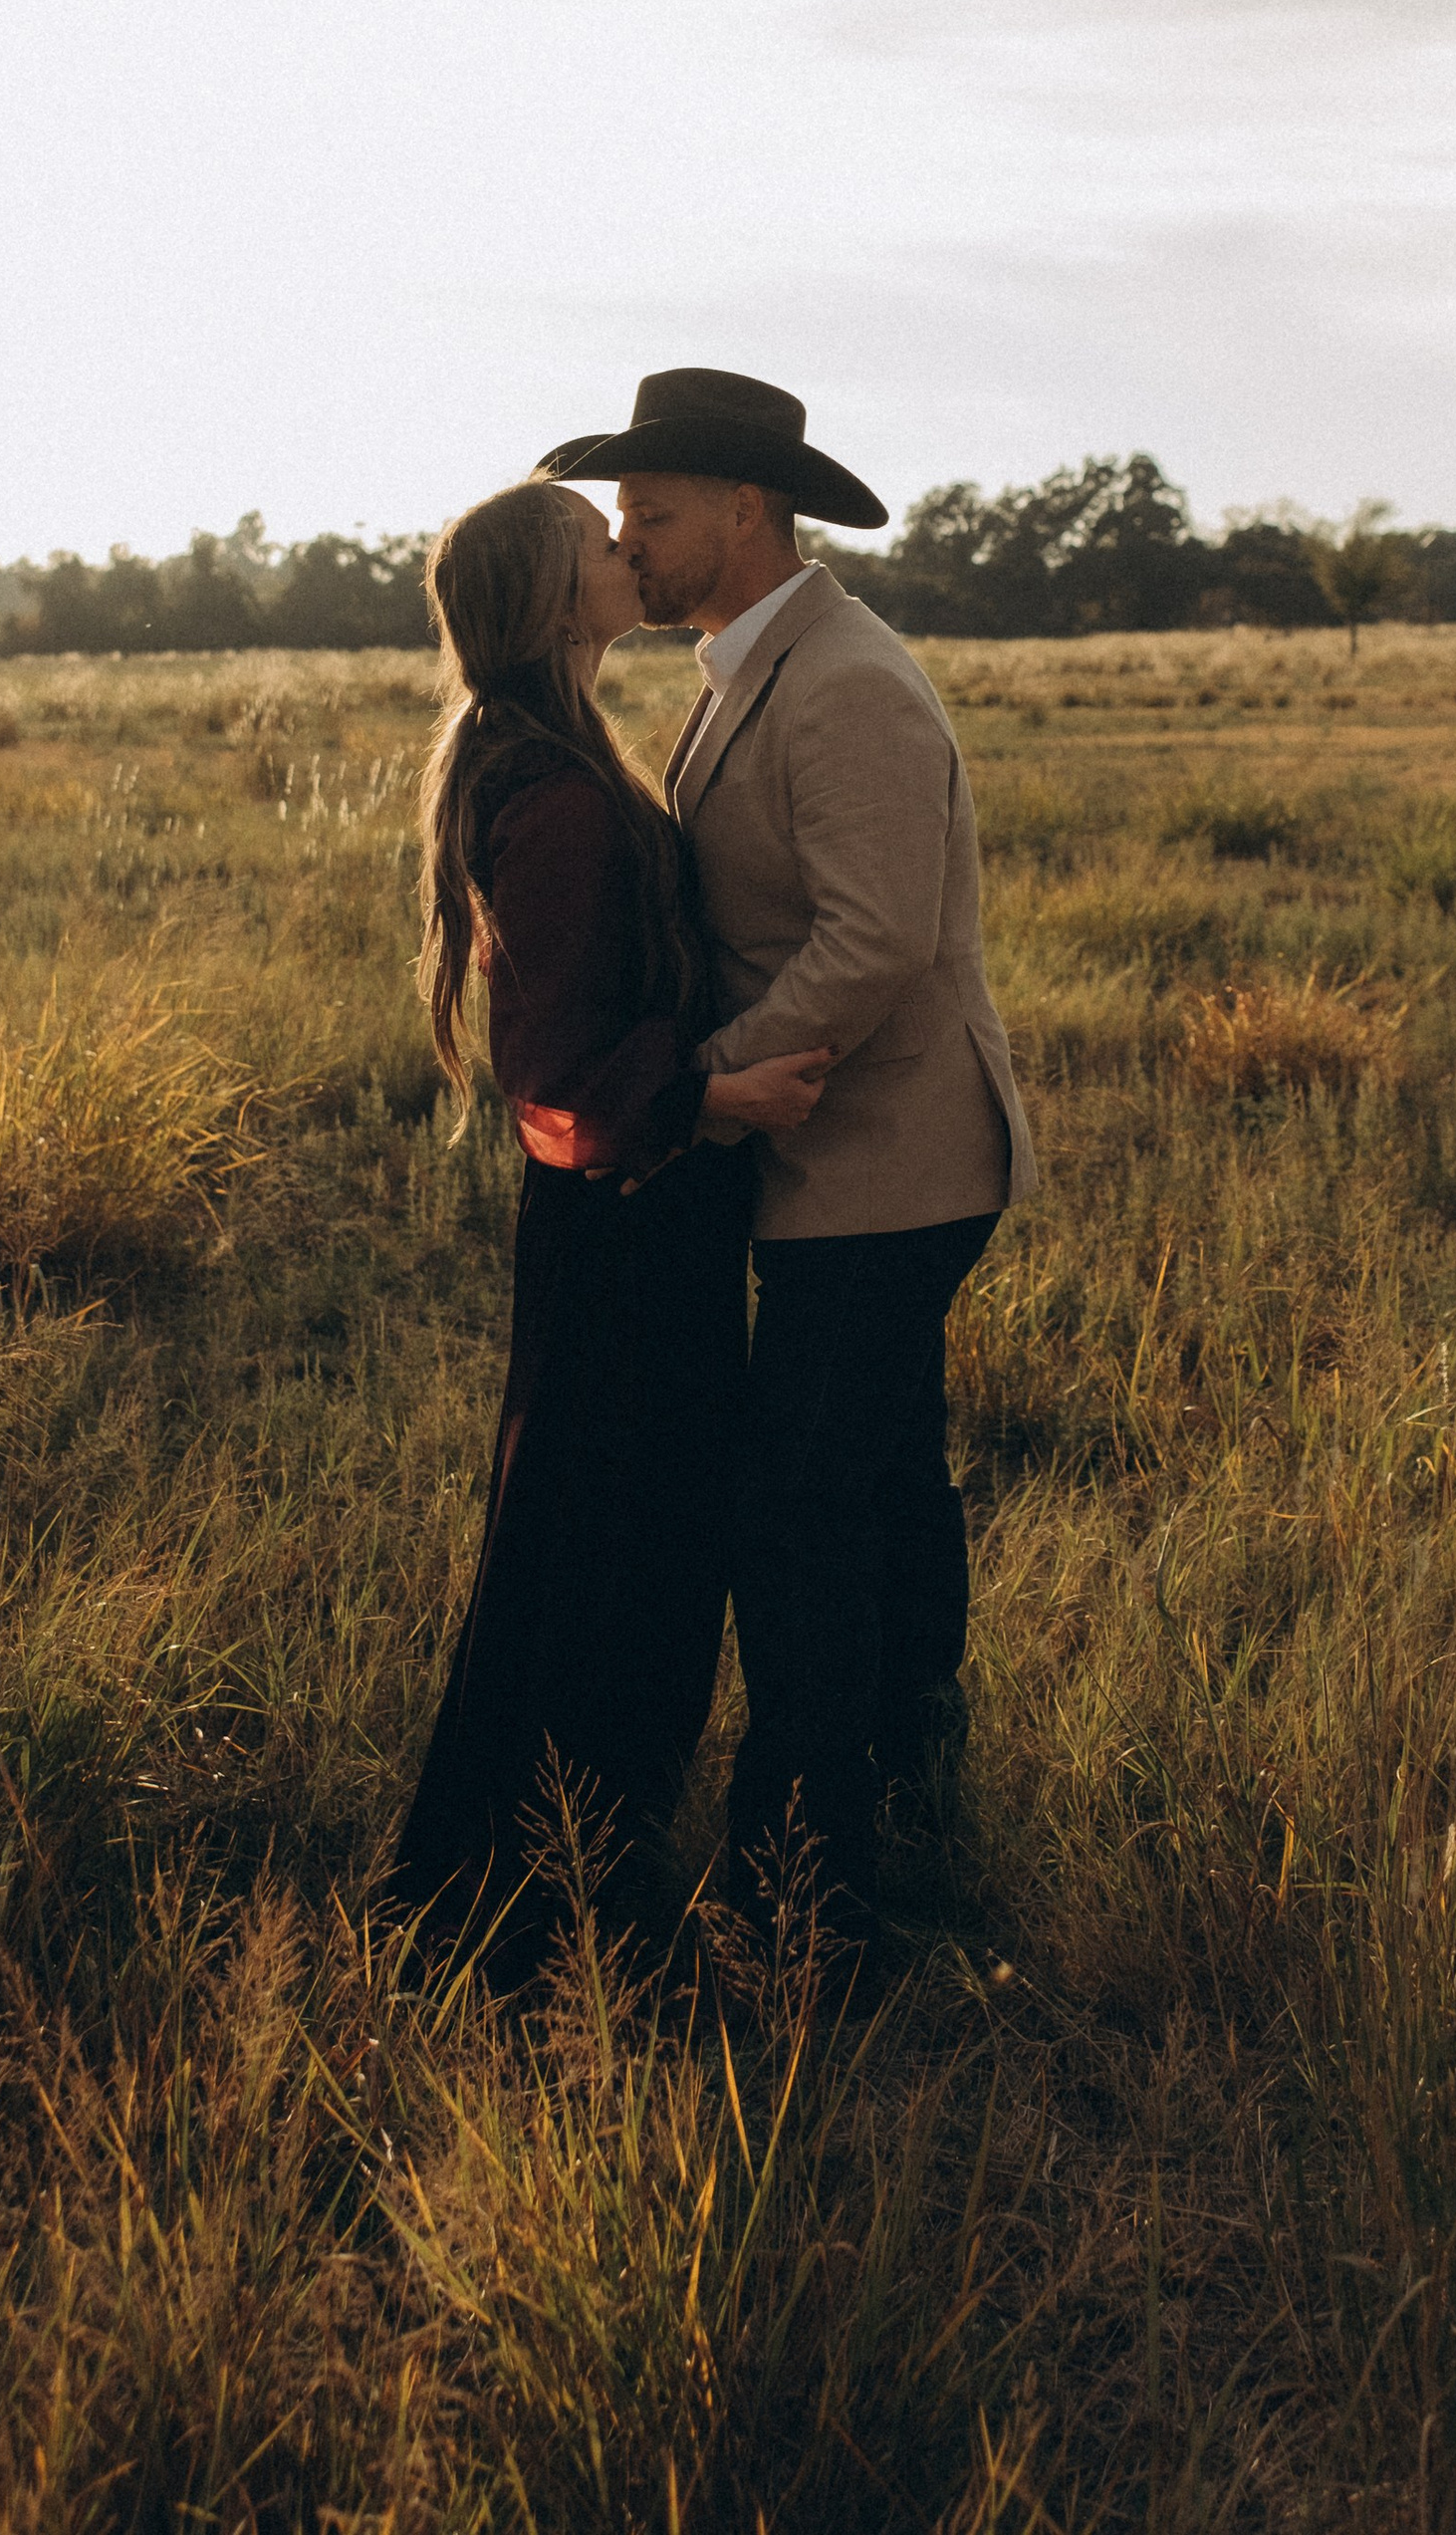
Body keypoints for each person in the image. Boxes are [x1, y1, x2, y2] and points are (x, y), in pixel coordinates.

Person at [534, 370, 1038, 1956]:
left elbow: (876, 936)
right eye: (625, 514)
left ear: (747, 510)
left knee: (798, 1502)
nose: (632, 537)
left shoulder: (844, 683)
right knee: (882, 1478)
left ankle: (800, 1869)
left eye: (654, 509)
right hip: (842, 1158)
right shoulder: (748, 665)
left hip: (889, 1158)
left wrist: (698, 1076)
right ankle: (911, 1786)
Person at [388, 476, 833, 1982]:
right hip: (629, 1227)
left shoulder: (557, 752)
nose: (625, 549)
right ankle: (555, 1895)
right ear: (546, 595)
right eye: (599, 541)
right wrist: (720, 1093)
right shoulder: (561, 794)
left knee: (598, 1543)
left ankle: (545, 1876)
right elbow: (558, 1076)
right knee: (622, 1553)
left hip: (629, 1224)